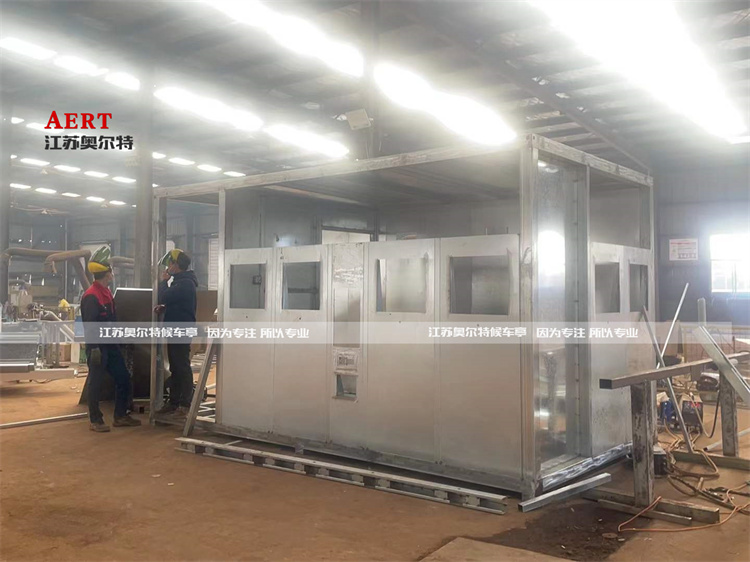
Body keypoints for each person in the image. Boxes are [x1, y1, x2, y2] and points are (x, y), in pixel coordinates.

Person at [81, 245, 141, 432]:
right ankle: (95, 420)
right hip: (98, 347)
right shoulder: (91, 296)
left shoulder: (106, 292)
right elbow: (90, 325)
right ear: (107, 274)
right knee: (95, 383)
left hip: (111, 345)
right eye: (111, 271)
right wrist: (94, 348)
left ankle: (120, 416)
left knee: (123, 378)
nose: (112, 274)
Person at [154, 249, 198, 418]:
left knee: (182, 366)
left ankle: (185, 404)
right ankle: (174, 402)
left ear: (176, 265)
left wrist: (163, 282)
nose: (168, 267)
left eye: (170, 264)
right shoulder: (182, 281)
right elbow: (176, 302)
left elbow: (164, 296)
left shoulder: (185, 283)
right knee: (175, 366)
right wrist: (165, 308)